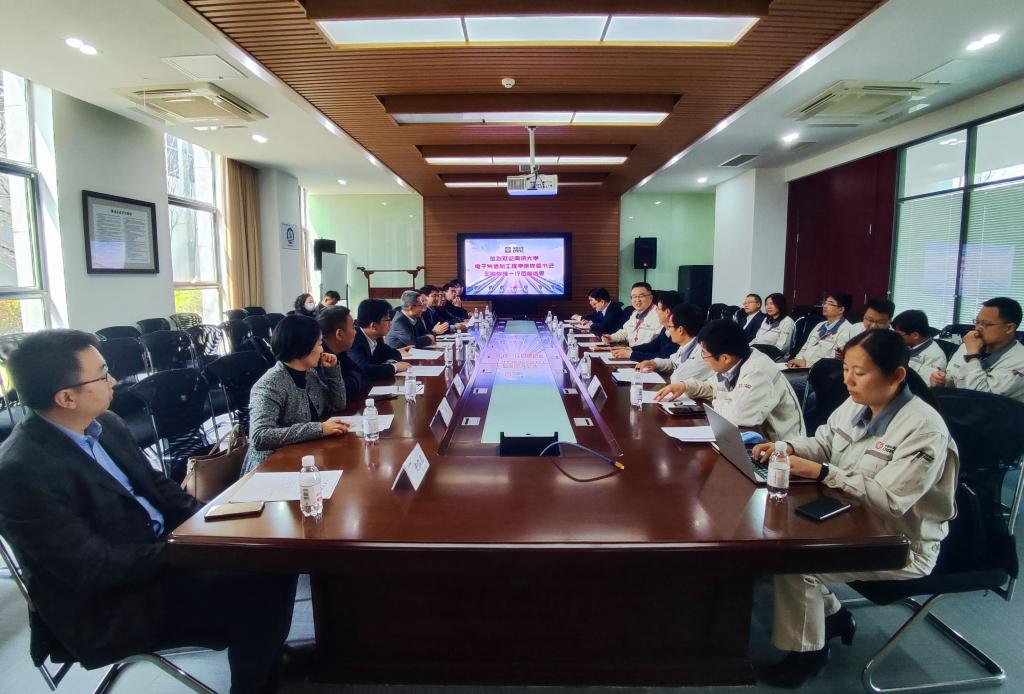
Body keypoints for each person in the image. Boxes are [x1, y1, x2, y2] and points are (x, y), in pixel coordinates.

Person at [0, 330, 298, 694]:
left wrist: (212, 524)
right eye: (102, 374)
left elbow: (160, 488)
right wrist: (190, 551)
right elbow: (93, 567)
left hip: (161, 557)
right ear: (66, 398)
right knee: (259, 591)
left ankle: (265, 653)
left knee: (274, 560)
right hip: (110, 603)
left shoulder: (106, 424)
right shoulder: (19, 471)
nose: (114, 381)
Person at [752, 329, 958, 687]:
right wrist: (787, 448)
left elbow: (891, 500)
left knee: (796, 564)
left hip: (900, 542)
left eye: (859, 372)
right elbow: (824, 442)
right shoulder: (857, 403)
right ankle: (831, 616)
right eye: (846, 369)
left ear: (896, 376)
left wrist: (824, 472)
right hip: (849, 518)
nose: (847, 380)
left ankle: (807, 656)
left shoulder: (924, 430)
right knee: (774, 542)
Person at [654, 319, 805, 441]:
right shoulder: (736, 360)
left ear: (725, 358)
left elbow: (739, 417)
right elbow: (712, 387)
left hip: (779, 449)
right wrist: (685, 386)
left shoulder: (757, 371)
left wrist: (717, 400)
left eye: (704, 354)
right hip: (753, 437)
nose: (703, 358)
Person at [243, 314, 349, 475]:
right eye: (320, 343)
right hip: (271, 468)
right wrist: (319, 429)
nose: (322, 349)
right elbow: (260, 436)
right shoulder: (269, 384)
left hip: (304, 458)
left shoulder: (309, 374)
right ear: (304, 346)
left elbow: (337, 404)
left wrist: (332, 371)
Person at [932, 297, 1024, 402]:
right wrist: (942, 382)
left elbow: (981, 398)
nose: (978, 328)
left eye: (986, 324)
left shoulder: (1020, 360)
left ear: (1009, 328)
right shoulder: (967, 346)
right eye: (977, 322)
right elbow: (953, 379)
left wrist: (972, 355)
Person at [637, 303, 713, 383]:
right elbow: (673, 362)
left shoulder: (703, 353)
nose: (668, 331)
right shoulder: (686, 345)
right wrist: (654, 363)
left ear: (680, 330)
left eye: (669, 327)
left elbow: (677, 378)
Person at [787, 292, 856, 368]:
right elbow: (805, 347)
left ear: (841, 309)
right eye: (825, 303)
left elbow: (834, 360)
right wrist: (796, 361)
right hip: (801, 368)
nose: (825, 306)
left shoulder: (847, 330)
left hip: (820, 371)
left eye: (830, 304)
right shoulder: (820, 325)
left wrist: (807, 364)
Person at [350, 298, 412, 379]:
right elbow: (364, 370)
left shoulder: (377, 337)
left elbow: (394, 353)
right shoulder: (353, 340)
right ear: (373, 326)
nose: (391, 323)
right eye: (388, 320)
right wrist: (394, 367)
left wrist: (390, 363)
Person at [611, 290, 680, 361]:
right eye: (634, 296)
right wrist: (630, 349)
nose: (656, 312)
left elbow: (664, 357)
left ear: (667, 312)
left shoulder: (678, 332)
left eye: (658, 309)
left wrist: (631, 354)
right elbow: (652, 346)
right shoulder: (666, 328)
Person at [318, 305, 369, 398]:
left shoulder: (340, 352)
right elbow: (343, 392)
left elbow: (363, 375)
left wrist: (351, 379)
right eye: (353, 327)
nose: (356, 332)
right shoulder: (320, 358)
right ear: (339, 334)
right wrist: (352, 379)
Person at [892, 309, 947, 384]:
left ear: (915, 335)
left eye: (899, 334)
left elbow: (923, 387)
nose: (896, 337)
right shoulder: (905, 346)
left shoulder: (936, 357)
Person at [602, 281, 661, 347]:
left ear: (651, 297)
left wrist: (632, 351)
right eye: (634, 296)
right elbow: (625, 332)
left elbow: (658, 344)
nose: (637, 300)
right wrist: (612, 337)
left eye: (641, 296)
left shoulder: (659, 315)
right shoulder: (635, 313)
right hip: (630, 351)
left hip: (645, 353)